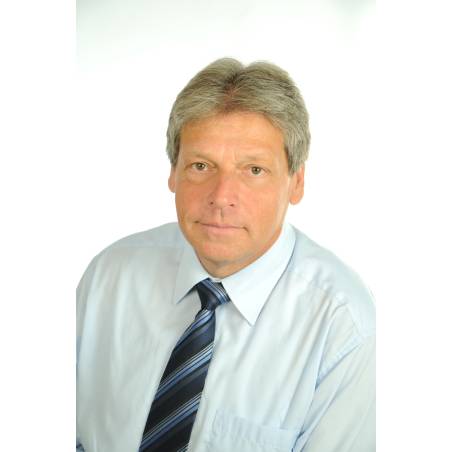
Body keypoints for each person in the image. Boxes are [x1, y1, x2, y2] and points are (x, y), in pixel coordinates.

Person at [76, 58, 375, 452]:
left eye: (254, 170)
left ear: (296, 182)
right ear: (173, 172)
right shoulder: (110, 276)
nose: (221, 197)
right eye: (201, 166)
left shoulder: (343, 325)